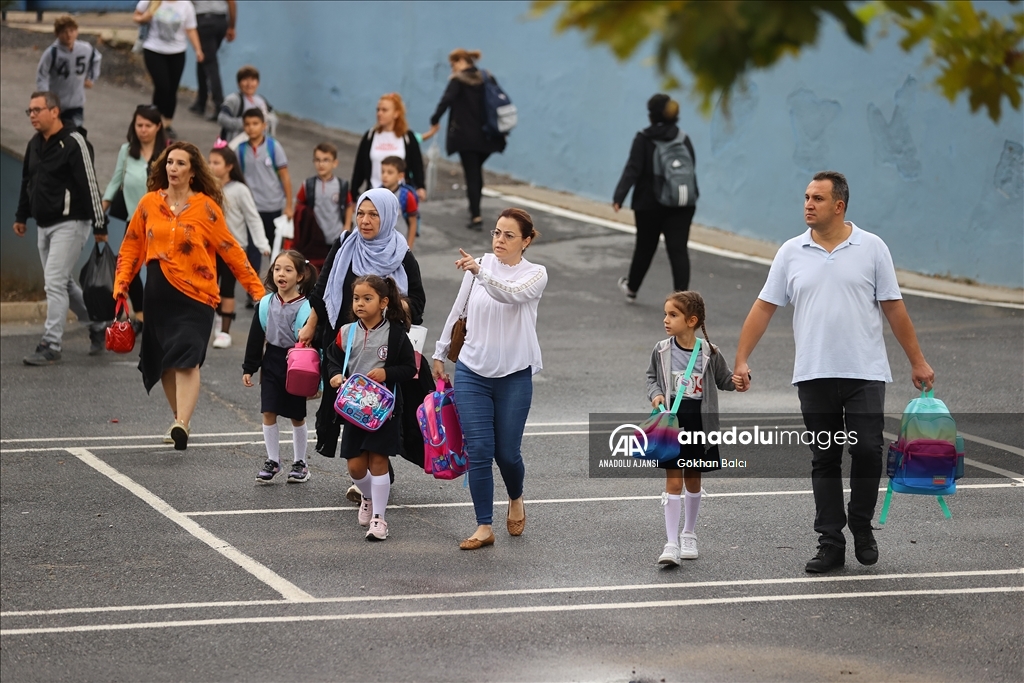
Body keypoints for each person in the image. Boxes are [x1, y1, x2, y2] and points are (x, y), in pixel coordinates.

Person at [733, 171, 935, 574]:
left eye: (818, 198)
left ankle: (861, 524)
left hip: (864, 372)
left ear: (839, 206)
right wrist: (741, 359)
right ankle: (830, 542)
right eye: (807, 197)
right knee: (824, 457)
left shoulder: (872, 247)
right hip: (813, 374)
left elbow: (893, 307)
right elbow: (764, 307)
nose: (808, 204)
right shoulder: (791, 252)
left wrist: (917, 360)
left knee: (867, 450)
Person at [113, 142, 264, 450]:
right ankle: (178, 419)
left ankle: (181, 423)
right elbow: (131, 246)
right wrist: (121, 284)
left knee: (186, 358)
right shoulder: (148, 203)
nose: (173, 168)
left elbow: (231, 251)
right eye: (170, 162)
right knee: (165, 363)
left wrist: (259, 292)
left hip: (197, 297)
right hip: (158, 296)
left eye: (181, 163)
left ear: (193, 171)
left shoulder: (206, 208)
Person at [431, 208, 547, 550]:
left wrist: (480, 272)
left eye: (509, 235)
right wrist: (439, 352)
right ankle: (484, 525)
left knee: (507, 453)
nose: (500, 239)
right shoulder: (478, 266)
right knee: (480, 450)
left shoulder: (535, 274)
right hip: (472, 371)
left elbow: (509, 293)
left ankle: (516, 496)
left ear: (526, 241)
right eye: (497, 232)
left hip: (514, 374)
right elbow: (459, 310)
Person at [303, 188, 428, 485]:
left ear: (387, 217)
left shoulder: (401, 254)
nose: (365, 220)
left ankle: (377, 470)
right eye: (360, 213)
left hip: (385, 350)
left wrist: (388, 305)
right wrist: (310, 324)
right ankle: (364, 476)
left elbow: (418, 304)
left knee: (382, 409)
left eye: (373, 215)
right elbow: (323, 290)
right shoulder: (345, 244)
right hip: (346, 344)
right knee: (350, 404)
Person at [14, 91, 107, 366]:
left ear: (54, 111)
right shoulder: (34, 144)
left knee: (54, 282)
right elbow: (27, 182)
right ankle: (98, 323)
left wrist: (99, 223)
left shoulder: (74, 142)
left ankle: (51, 344)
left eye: (37, 110)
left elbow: (89, 183)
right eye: (29, 111)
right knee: (62, 282)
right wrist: (21, 216)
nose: (32, 115)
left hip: (71, 223)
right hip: (43, 224)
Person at [645, 291, 737, 566]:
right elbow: (651, 378)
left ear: (691, 320)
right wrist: (656, 395)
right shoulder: (661, 349)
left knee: (693, 480)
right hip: (672, 425)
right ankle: (671, 543)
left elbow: (725, 380)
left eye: (673, 315)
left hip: (699, 424)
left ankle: (689, 534)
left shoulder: (709, 351)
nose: (666, 320)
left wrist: (740, 380)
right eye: (665, 314)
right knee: (673, 482)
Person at [325, 275, 417, 541]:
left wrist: (387, 373)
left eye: (368, 298)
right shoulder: (347, 332)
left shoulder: (395, 334)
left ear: (383, 302)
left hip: (383, 410)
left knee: (378, 461)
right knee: (355, 467)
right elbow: (332, 358)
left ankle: (379, 518)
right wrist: (334, 375)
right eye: (356, 298)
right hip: (354, 409)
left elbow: (409, 367)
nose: (360, 304)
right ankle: (367, 496)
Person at [612, 94, 699, 303]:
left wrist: (619, 196)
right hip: (682, 203)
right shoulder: (683, 138)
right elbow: (690, 169)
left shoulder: (643, 138)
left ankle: (632, 288)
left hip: (649, 203)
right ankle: (683, 301)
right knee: (678, 250)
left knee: (645, 247)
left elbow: (633, 168)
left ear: (651, 115)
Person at [243, 250, 318, 484]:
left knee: (297, 415)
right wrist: (249, 367)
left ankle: (300, 462)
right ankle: (273, 461)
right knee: (268, 411)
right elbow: (256, 337)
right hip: (272, 360)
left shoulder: (307, 307)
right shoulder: (266, 304)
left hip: (297, 362)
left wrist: (319, 380)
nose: (281, 274)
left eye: (288, 270)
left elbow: (316, 342)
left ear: (300, 276)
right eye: (277, 269)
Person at [100, 104, 169, 345]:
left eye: (148, 125)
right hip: (135, 221)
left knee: (159, 271)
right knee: (127, 269)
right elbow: (115, 181)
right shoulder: (127, 151)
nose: (143, 130)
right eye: (139, 125)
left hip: (162, 222)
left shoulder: (168, 153)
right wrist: (100, 210)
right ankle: (140, 315)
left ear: (158, 126)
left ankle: (160, 317)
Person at [423, 49, 507, 230]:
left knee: (472, 174)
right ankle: (475, 208)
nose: (452, 69)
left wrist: (434, 120)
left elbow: (445, 101)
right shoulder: (486, 77)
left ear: (461, 61)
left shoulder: (458, 80)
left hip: (466, 137)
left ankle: (476, 216)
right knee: (476, 171)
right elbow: (499, 102)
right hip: (488, 136)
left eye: (453, 64)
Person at [208, 144, 271, 348]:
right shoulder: (206, 187)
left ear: (229, 166)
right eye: (209, 162)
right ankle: (216, 321)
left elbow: (253, 217)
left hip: (233, 248)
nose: (211, 166)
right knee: (208, 287)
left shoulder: (240, 190)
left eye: (216, 162)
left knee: (227, 289)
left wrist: (262, 243)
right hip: (209, 247)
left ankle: (224, 331)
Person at [134, 0, 204, 139]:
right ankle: (154, 121)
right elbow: (136, 16)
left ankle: (166, 123)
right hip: (154, 49)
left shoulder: (186, 5)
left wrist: (198, 49)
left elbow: (190, 29)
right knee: (162, 86)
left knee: (172, 89)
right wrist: (143, 18)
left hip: (177, 52)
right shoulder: (151, 1)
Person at [237, 108, 292, 276]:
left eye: (255, 123)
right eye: (247, 124)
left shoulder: (273, 147)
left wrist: (289, 205)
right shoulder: (240, 150)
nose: (251, 127)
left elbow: (285, 177)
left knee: (276, 253)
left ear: (264, 125)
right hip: (252, 209)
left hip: (273, 206)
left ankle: (277, 285)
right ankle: (253, 289)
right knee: (253, 252)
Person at [350, 93, 425, 199]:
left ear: (396, 113)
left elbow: (417, 164)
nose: (379, 113)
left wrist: (420, 186)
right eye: (378, 110)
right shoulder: (370, 136)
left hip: (399, 197)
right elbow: (359, 167)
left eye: (384, 110)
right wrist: (353, 194)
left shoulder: (407, 137)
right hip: (374, 195)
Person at [292, 142, 352, 271]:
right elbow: (298, 207)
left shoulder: (342, 185)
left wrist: (347, 225)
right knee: (314, 272)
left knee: (333, 270)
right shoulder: (308, 185)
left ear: (335, 163)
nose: (321, 164)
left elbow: (349, 205)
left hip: (334, 237)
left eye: (326, 160)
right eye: (318, 160)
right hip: (314, 239)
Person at [35, 14, 102, 129]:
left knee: (76, 133)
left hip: (76, 104)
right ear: (57, 34)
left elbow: (96, 58)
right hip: (56, 104)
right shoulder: (52, 53)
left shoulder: (85, 48)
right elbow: (42, 75)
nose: (68, 35)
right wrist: (46, 97)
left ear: (77, 31)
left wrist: (92, 78)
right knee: (55, 133)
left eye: (72, 31)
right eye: (64, 32)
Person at [188, 0, 235, 119]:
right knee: (204, 58)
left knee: (210, 63)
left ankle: (219, 105)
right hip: (221, 21)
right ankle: (201, 101)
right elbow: (232, 3)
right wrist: (231, 26)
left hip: (204, 21)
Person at [217, 65, 278, 144]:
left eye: (253, 80)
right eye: (245, 80)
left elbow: (272, 117)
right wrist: (245, 124)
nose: (249, 84)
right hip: (236, 145)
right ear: (238, 83)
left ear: (258, 83)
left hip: (258, 145)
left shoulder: (261, 100)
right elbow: (222, 118)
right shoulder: (234, 99)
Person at [380, 156, 419, 249]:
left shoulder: (407, 196)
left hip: (399, 246)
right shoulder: (376, 194)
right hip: (380, 245)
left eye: (390, 172)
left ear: (400, 176)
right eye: (382, 171)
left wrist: (409, 247)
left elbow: (413, 223)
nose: (385, 175)